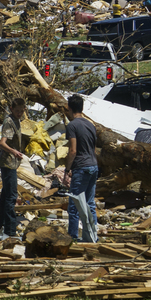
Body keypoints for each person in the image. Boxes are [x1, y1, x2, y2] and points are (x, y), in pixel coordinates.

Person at [63, 94, 99, 242]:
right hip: (93, 166)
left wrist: (67, 169)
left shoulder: (72, 125)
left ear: (69, 108)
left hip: (81, 168)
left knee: (74, 205)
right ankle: (92, 236)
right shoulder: (91, 125)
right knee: (90, 203)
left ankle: (72, 237)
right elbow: (93, 148)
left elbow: (73, 150)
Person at [0, 97, 26, 239]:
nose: (19, 113)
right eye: (17, 111)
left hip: (11, 162)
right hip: (8, 162)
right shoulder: (9, 122)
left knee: (5, 194)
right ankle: (10, 230)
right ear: (11, 109)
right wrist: (13, 151)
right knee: (11, 196)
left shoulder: (16, 120)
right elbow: (2, 143)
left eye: (22, 110)